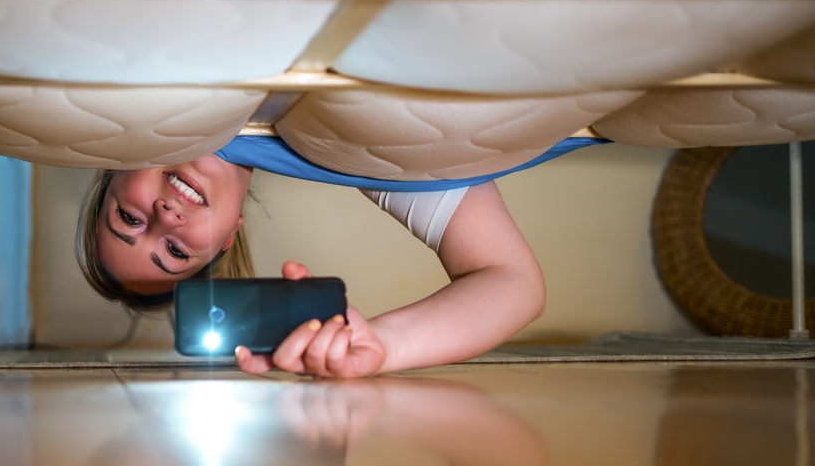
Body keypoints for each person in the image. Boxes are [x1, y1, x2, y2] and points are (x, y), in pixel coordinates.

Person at [77, 133, 602, 378]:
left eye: (129, 218)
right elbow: (512, 281)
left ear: (114, 168)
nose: (165, 217)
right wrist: (382, 346)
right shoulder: (363, 155)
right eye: (173, 251)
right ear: (228, 238)